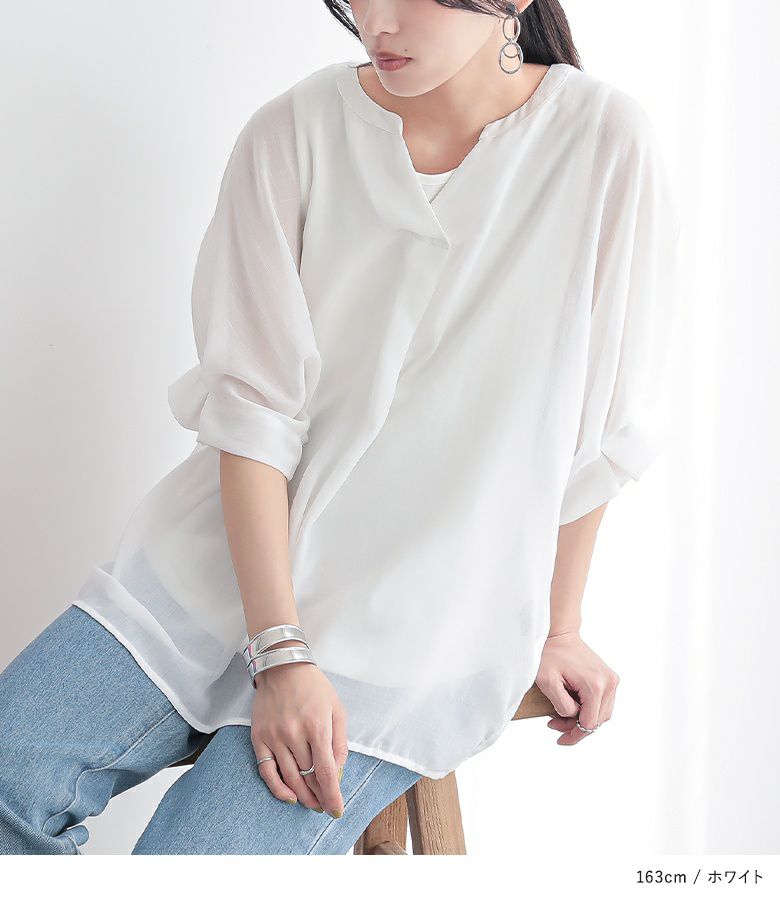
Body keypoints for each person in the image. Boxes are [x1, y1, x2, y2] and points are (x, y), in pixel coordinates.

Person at [0, 0, 681, 855]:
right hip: (217, 569)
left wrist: (557, 627)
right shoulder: (293, 131)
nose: (375, 23)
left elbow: (603, 431)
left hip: (416, 623)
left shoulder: (603, 141)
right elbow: (252, 412)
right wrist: (280, 651)